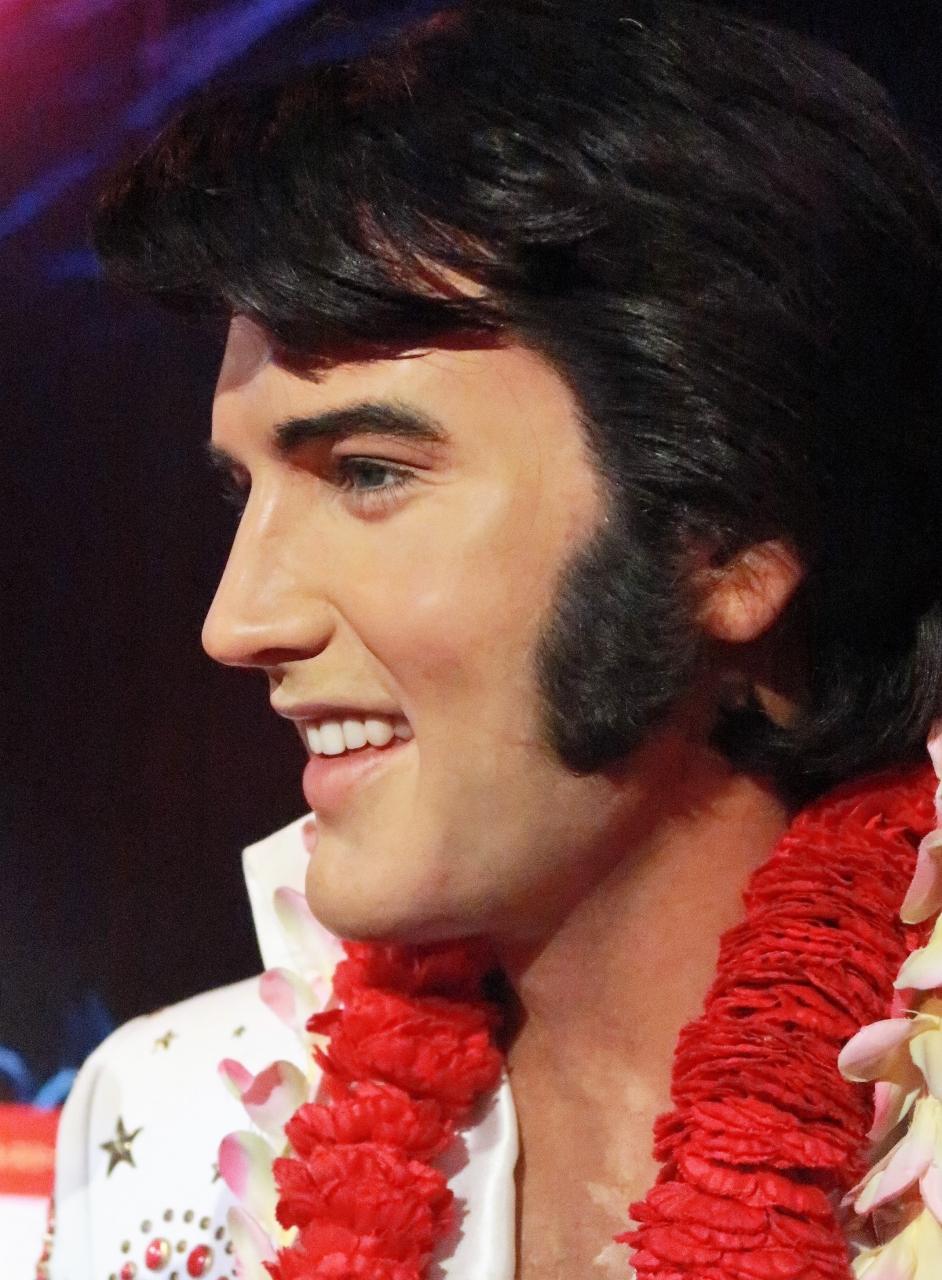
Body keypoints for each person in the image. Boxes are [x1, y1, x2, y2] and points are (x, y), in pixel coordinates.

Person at [44, 2, 942, 1278]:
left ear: (735, 537)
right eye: (244, 493)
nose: (237, 622)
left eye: (368, 470)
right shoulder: (167, 1127)